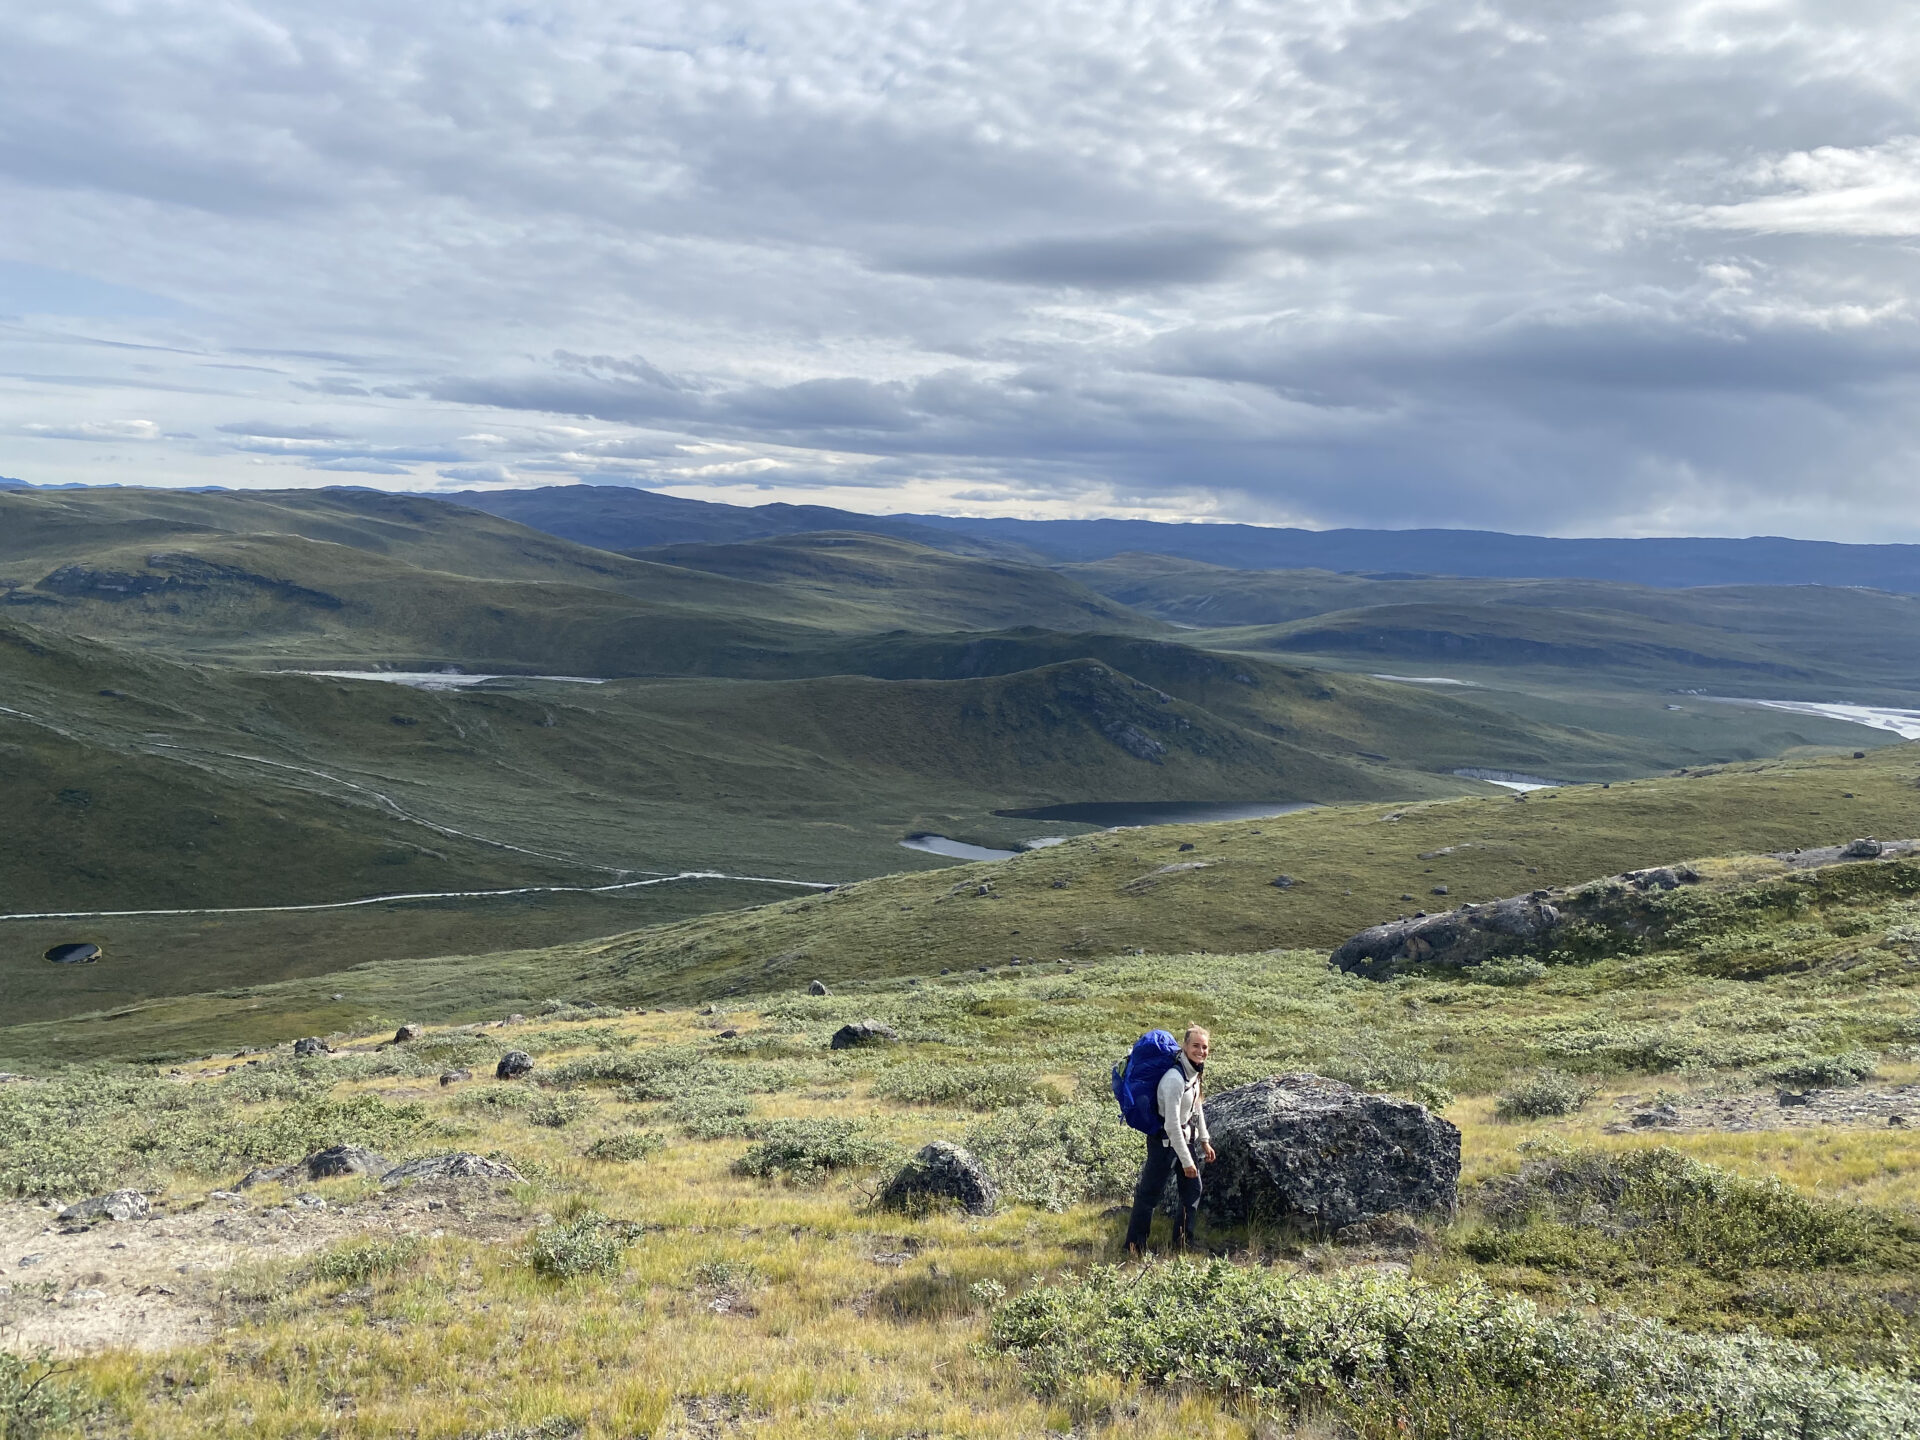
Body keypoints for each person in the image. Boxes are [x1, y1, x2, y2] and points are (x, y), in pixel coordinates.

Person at [1123, 1024, 1214, 1256]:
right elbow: (1171, 1125)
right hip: (1163, 1144)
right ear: (1184, 1046)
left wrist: (1204, 1139)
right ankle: (1135, 1247)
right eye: (1196, 1046)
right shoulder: (1174, 1079)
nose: (1201, 1051)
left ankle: (1183, 1243)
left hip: (1183, 1140)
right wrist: (1187, 1161)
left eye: (1204, 1047)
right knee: (1149, 1196)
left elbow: (1197, 1107)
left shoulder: (1193, 1072)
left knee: (1192, 1191)